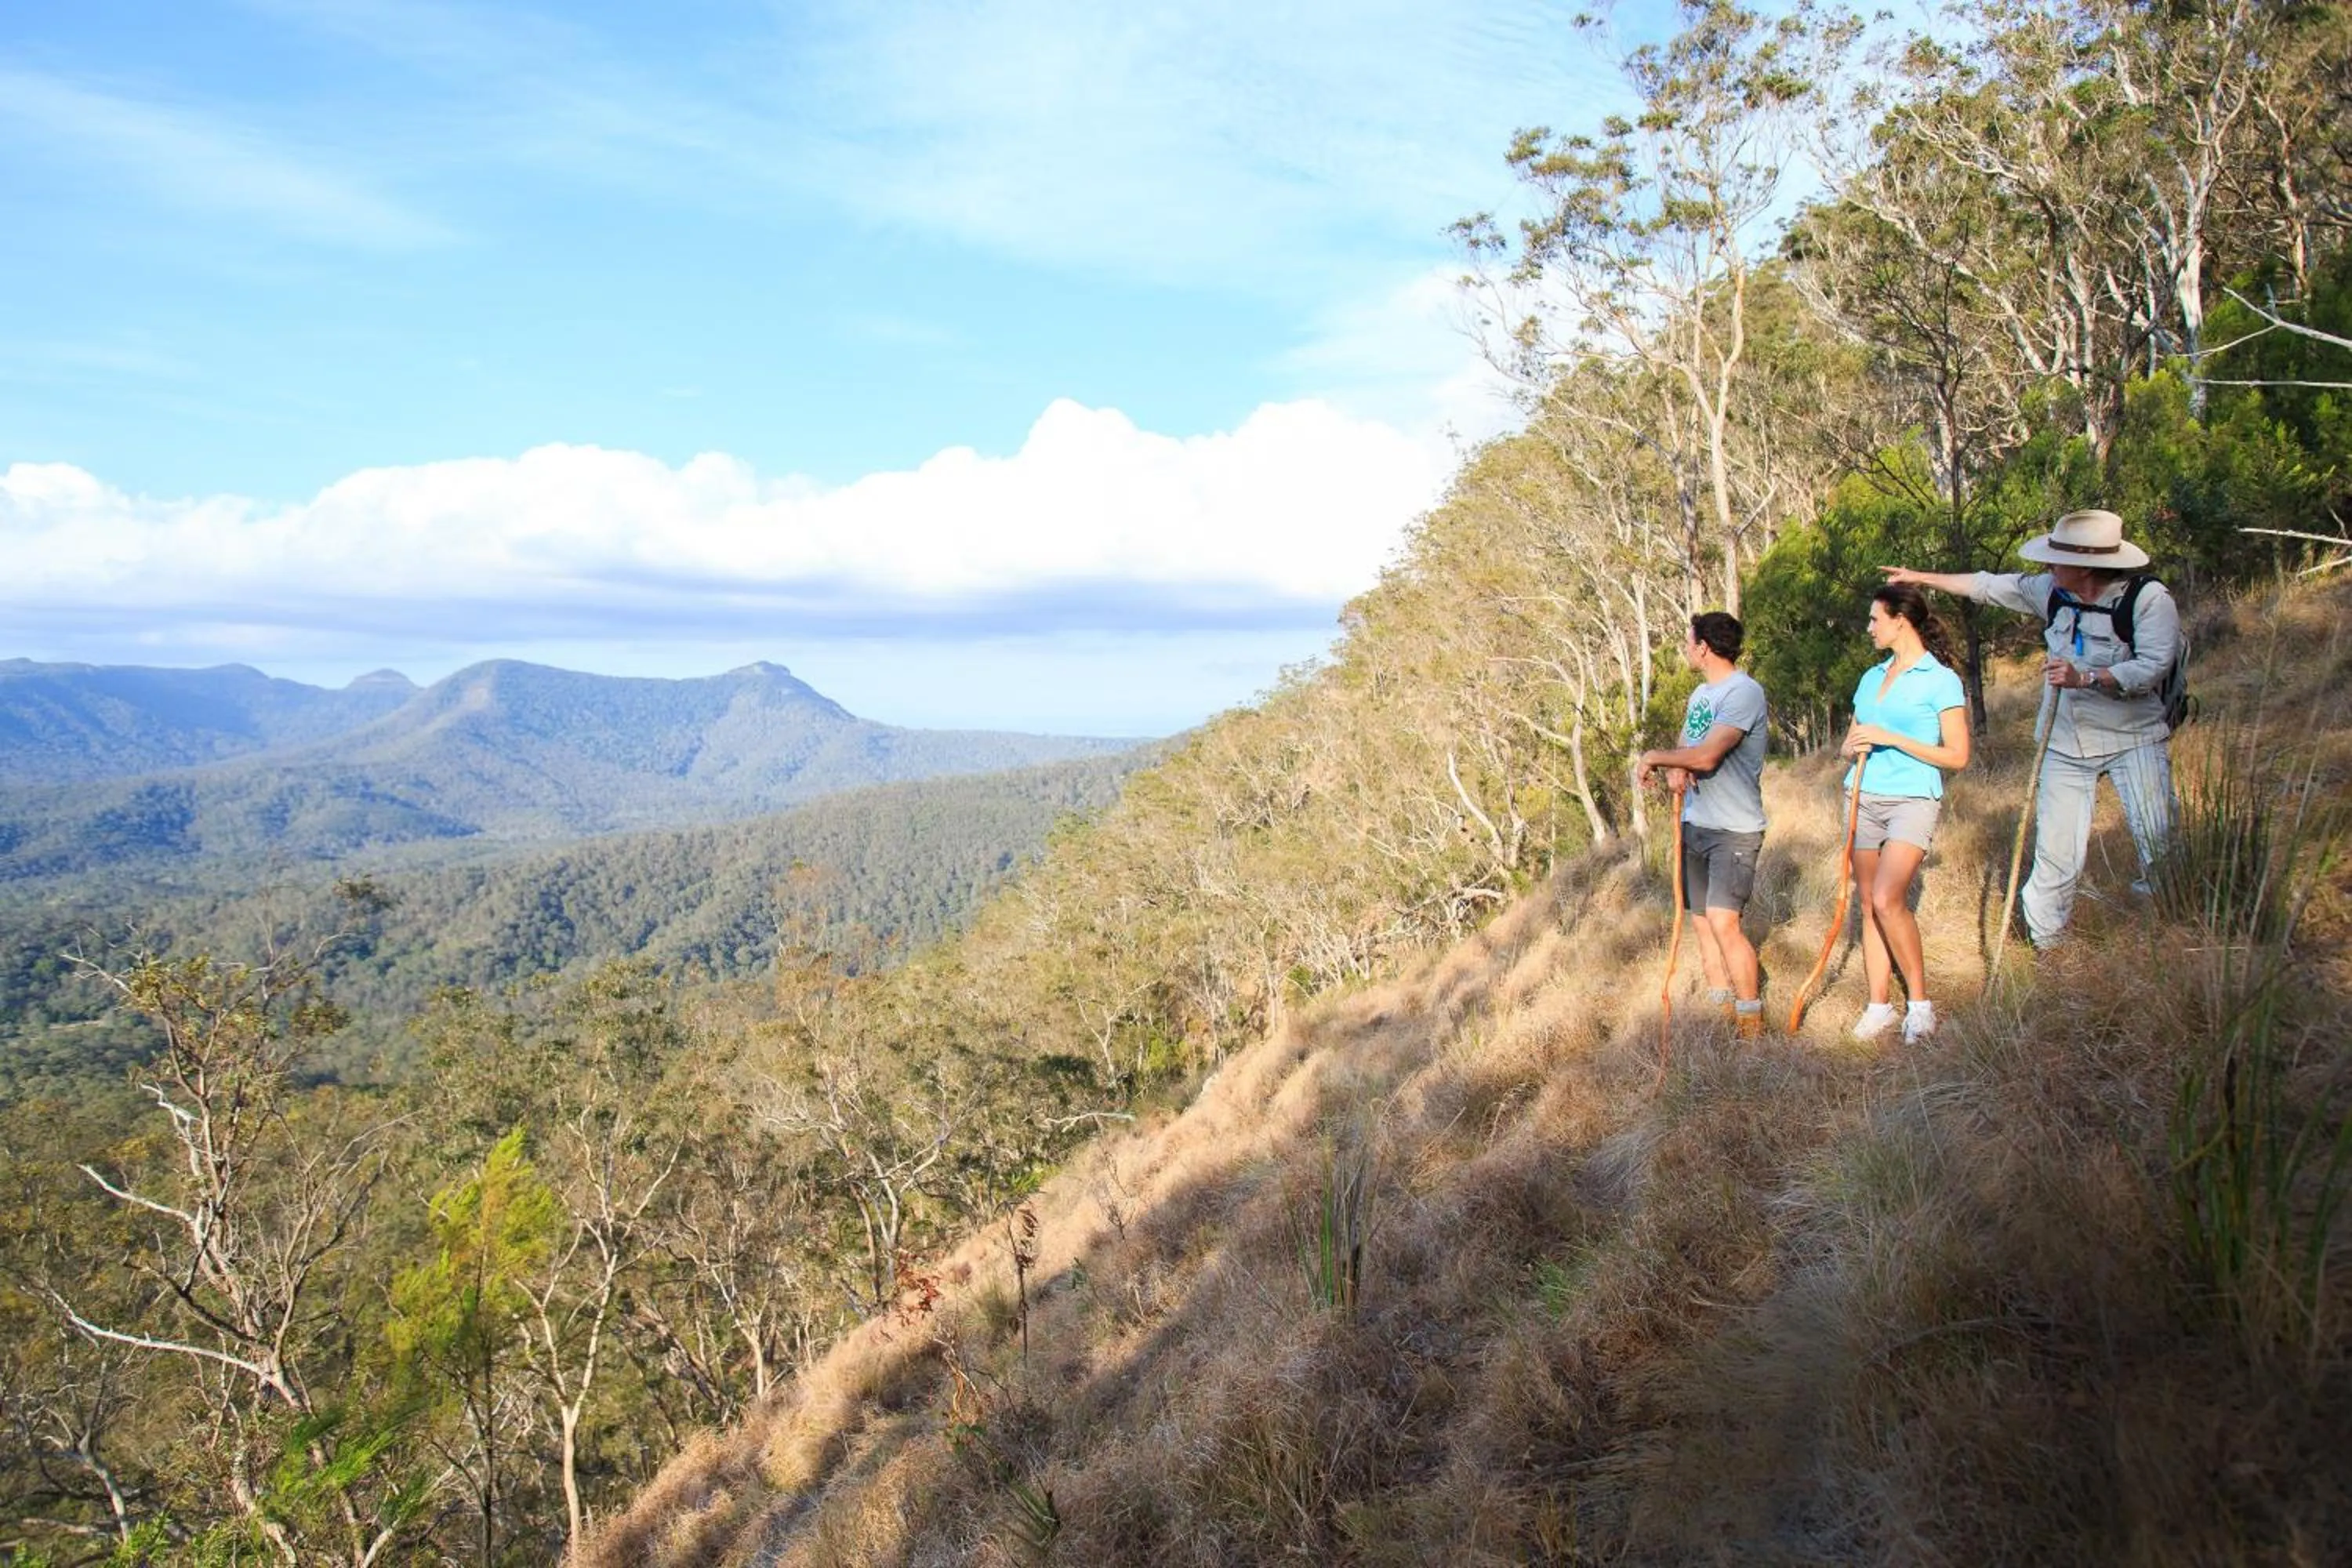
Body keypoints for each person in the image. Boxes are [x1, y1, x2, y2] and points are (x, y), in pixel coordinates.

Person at [1882, 508, 2179, 949]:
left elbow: (2155, 665)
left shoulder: (2148, 600)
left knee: (2159, 840)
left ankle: (2173, 928)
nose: (2047, 566)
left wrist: (2089, 678)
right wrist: (1923, 578)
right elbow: (1988, 585)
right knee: (2056, 853)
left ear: (2089, 565)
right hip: (2065, 742)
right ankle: (2049, 944)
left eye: (2057, 559)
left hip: (2134, 738)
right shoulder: (2051, 591)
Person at [1838, 583, 1971, 1043]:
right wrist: (1852, 744)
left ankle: (1920, 1004)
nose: (1869, 627)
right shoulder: (1872, 677)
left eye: (1876, 619)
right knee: (1867, 901)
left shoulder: (1941, 680)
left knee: (1887, 899)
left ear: (1901, 620)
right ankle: (1879, 1006)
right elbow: (1850, 740)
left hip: (1912, 799)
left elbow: (1957, 756)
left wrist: (1893, 739)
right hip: (1862, 796)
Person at [1637, 612, 1769, 1038]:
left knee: (1723, 920)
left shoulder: (1744, 693)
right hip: (1695, 822)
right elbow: (1688, 745)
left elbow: (1709, 755)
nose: (1686, 648)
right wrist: (1676, 768)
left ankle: (1751, 1020)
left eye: (1689, 641)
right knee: (1701, 922)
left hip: (1733, 828)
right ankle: (1721, 1007)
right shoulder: (1700, 694)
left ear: (1704, 648)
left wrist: (1655, 757)